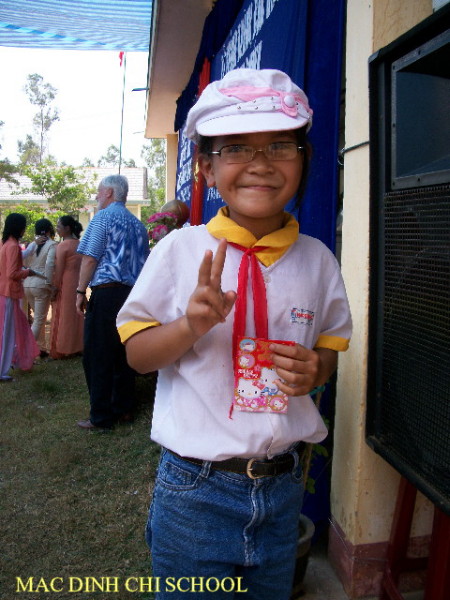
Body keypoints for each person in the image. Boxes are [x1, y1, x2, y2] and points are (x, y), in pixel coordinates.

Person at [117, 68, 352, 599]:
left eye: (280, 146)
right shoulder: (179, 251)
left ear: (305, 158)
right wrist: (191, 325)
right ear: (204, 168)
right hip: (195, 491)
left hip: (283, 488)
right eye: (237, 148)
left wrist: (317, 367)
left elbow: (331, 344)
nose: (261, 164)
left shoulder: (318, 261)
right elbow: (137, 355)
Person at [76, 174, 149, 430]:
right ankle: (124, 408)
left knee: (98, 355)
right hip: (132, 295)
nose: (97, 196)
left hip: (107, 293)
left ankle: (102, 416)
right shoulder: (138, 225)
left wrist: (79, 290)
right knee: (123, 352)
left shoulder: (103, 218)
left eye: (98, 191)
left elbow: (89, 258)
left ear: (108, 192)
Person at [0, 213, 39, 381]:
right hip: (9, 291)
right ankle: (2, 371)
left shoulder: (6, 243)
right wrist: (27, 272)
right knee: (8, 332)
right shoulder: (13, 246)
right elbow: (12, 273)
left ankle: (15, 360)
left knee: (14, 329)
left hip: (6, 291)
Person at [49, 216, 84, 359]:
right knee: (76, 314)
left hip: (66, 281)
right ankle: (78, 346)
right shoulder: (80, 244)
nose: (56, 229)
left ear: (67, 228)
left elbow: (59, 269)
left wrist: (55, 287)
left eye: (58, 226)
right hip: (78, 281)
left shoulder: (62, 246)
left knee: (64, 315)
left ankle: (64, 348)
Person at [23, 218, 57, 358]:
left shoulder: (32, 244)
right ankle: (25, 350)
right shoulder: (52, 244)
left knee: (39, 318)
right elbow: (49, 264)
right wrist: (50, 283)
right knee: (39, 319)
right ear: (49, 230)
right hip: (42, 284)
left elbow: (24, 262)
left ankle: (41, 348)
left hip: (28, 283)